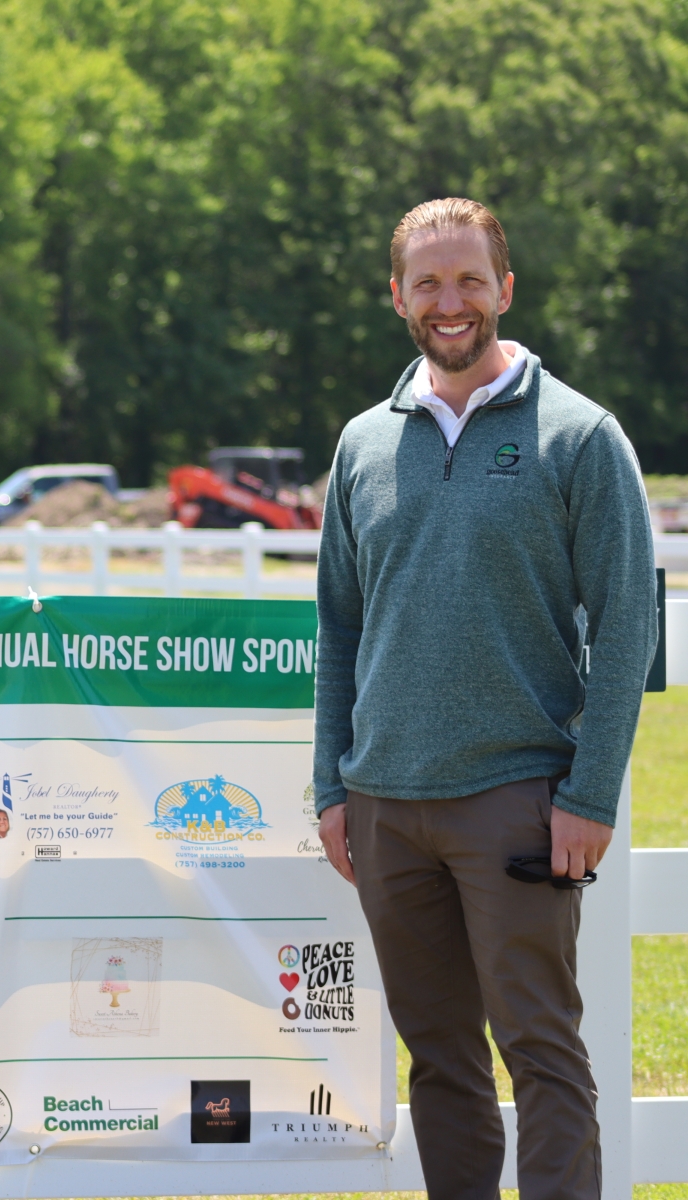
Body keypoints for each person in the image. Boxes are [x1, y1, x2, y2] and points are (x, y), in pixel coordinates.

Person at [315, 198, 656, 1200]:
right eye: (428, 282)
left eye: (470, 280)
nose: (449, 301)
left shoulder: (581, 437)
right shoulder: (362, 444)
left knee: (542, 1052)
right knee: (439, 1060)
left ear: (504, 288)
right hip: (385, 806)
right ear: (397, 297)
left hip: (516, 801)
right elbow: (340, 627)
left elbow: (629, 624)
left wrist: (590, 796)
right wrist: (331, 787)